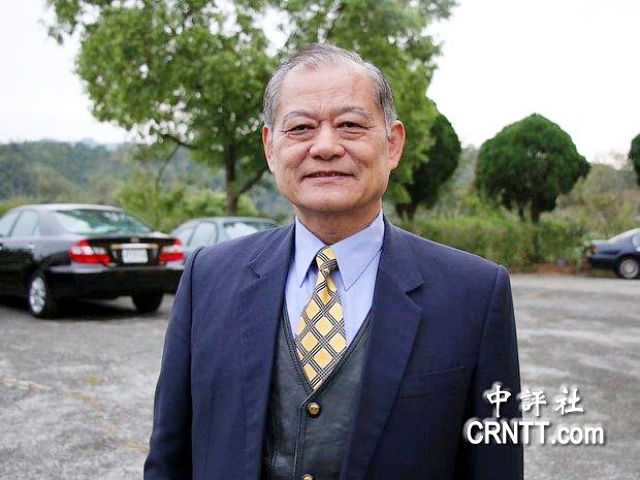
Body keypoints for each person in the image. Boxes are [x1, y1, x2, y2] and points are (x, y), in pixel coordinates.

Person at [144, 44, 523, 480]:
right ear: (270, 148)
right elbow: (169, 458)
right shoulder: (207, 278)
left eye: (350, 125)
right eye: (300, 128)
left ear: (393, 143)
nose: (325, 147)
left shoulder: (475, 294)